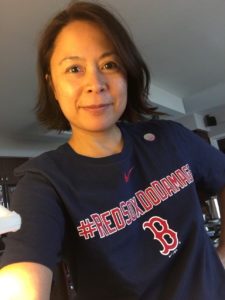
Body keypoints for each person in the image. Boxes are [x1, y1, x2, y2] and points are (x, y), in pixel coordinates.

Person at [0, 1, 225, 299]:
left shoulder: (172, 138)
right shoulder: (44, 182)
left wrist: (221, 257)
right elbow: (22, 274)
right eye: (74, 69)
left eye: (109, 64)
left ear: (127, 73)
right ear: (53, 85)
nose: (95, 83)